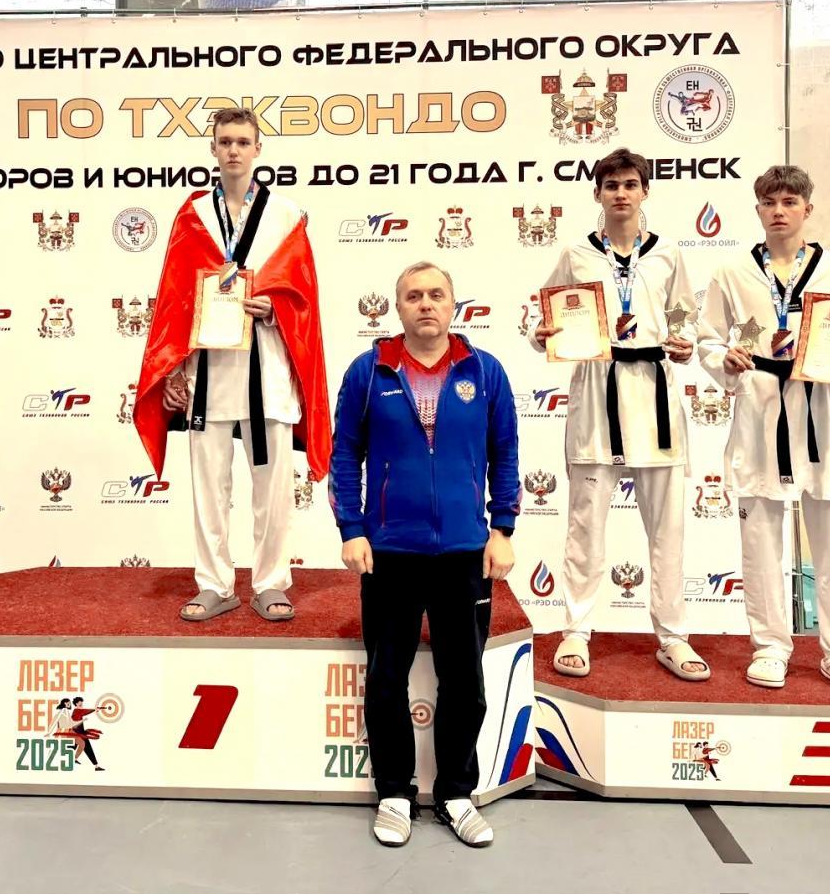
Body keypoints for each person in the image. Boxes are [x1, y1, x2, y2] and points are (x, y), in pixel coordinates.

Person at [331, 261, 519, 848]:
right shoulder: (368, 371)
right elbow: (344, 455)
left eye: (436, 294)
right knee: (386, 676)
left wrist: (503, 527)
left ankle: (457, 793)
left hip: (465, 551)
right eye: (413, 296)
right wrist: (351, 528)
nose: (425, 304)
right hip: (390, 551)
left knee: (463, 679)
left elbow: (505, 452)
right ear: (398, 308)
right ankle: (394, 792)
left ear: (454, 304)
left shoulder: (484, 371)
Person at [134, 108, 331, 623]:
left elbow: (303, 298)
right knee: (208, 487)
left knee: (273, 488)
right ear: (213, 149)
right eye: (225, 142)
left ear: (258, 149)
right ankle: (215, 584)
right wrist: (173, 370)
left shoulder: (286, 214)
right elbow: (175, 300)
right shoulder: (194, 214)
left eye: (243, 141)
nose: (234, 150)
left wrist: (275, 307)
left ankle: (271, 582)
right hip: (209, 372)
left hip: (268, 365)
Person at [696, 165, 830, 695]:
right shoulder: (732, 270)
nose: (779, 211)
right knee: (760, 543)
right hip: (760, 412)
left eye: (789, 202)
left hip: (821, 412)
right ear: (758, 209)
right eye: (770, 202)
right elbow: (707, 337)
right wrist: (723, 359)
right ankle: (770, 647)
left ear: (807, 209)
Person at [530, 147, 708, 681]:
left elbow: (685, 315)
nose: (622, 193)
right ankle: (576, 630)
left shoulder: (668, 253)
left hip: (654, 396)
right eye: (612, 186)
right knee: (586, 524)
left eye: (631, 184)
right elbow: (545, 314)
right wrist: (542, 335)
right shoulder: (576, 253)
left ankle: (673, 635)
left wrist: (685, 341)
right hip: (597, 391)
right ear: (598, 194)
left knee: (668, 529)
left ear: (645, 191)